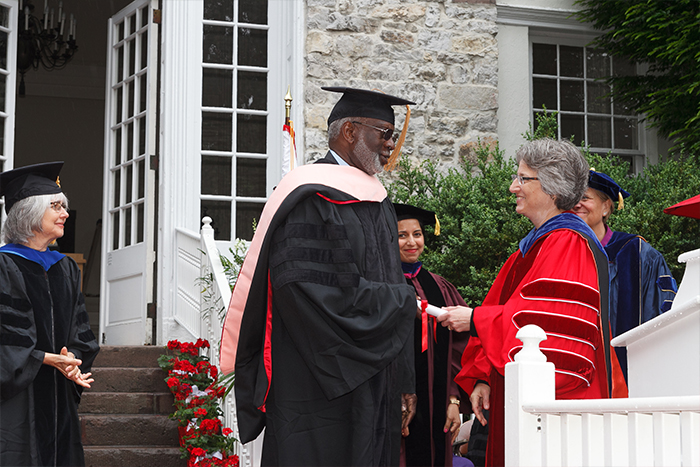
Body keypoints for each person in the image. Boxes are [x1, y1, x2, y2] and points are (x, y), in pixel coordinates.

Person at [219, 87, 418, 466]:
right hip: (315, 384)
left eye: (392, 134)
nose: (391, 144)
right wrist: (402, 303)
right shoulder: (311, 199)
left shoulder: (377, 201)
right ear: (349, 132)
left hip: (375, 379)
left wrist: (403, 380)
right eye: (383, 133)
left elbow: (393, 283)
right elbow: (306, 292)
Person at [436, 139, 611, 467]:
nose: (513, 186)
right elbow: (509, 309)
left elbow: (549, 323)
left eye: (522, 178)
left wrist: (474, 319)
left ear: (552, 188)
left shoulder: (569, 243)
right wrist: (484, 375)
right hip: (522, 399)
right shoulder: (530, 249)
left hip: (560, 408)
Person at [0, 162, 100, 466]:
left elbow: (80, 330)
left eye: (64, 206)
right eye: (56, 206)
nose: (65, 214)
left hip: (58, 400)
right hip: (16, 402)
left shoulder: (65, 268)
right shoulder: (4, 266)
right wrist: (42, 358)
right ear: (29, 213)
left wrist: (73, 362)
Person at [572, 169, 677, 396]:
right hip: (576, 374)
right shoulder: (562, 254)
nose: (576, 205)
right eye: (571, 199)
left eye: (585, 198)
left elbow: (660, 314)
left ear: (606, 207)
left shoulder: (638, 254)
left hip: (630, 376)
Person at [394, 203, 470, 467]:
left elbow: (460, 350)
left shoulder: (440, 287)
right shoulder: (381, 288)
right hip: (394, 406)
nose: (411, 242)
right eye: (402, 235)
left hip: (439, 405)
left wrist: (453, 400)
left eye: (417, 234)